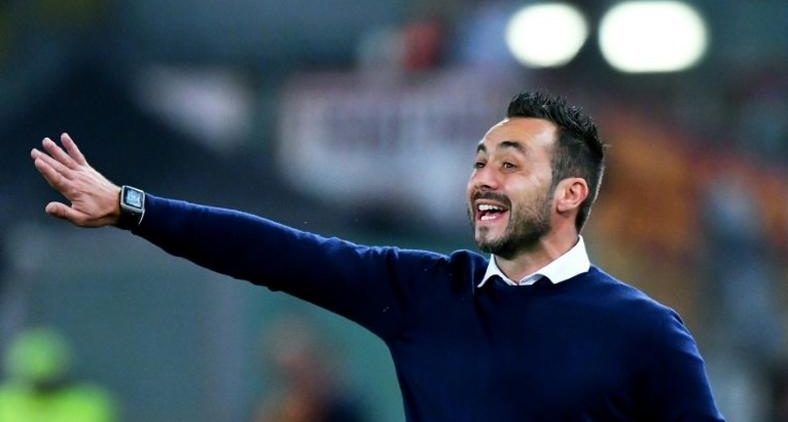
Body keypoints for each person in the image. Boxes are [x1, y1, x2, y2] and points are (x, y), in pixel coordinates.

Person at [30, 91, 725, 420]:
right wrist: (131, 207)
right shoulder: (425, 294)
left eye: (509, 164)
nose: (482, 178)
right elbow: (279, 254)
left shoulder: (646, 332)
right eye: (478, 161)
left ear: (570, 192)